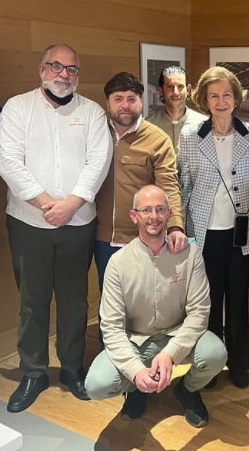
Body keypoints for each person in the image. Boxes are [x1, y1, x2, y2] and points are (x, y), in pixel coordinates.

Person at [0, 44, 113, 413]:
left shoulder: (92, 112)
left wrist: (72, 204)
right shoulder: (17, 108)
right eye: (56, 67)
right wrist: (47, 203)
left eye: (72, 69)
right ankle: (33, 371)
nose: (64, 75)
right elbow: (8, 161)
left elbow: (99, 161)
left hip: (78, 223)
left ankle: (73, 367)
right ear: (41, 69)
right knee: (32, 300)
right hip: (30, 222)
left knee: (75, 299)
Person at [84, 185, 227, 428]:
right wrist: (135, 370)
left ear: (169, 213)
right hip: (135, 342)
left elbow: (200, 312)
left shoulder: (190, 254)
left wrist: (170, 354)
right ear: (134, 215)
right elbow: (111, 327)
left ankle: (187, 389)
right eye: (147, 210)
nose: (154, 217)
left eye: (160, 210)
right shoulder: (118, 263)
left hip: (177, 335)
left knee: (215, 354)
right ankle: (139, 387)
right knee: (96, 385)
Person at [178, 66, 249, 389]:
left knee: (239, 300)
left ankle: (240, 362)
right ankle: (211, 362)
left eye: (226, 94)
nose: (221, 101)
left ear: (236, 98)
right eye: (214, 95)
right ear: (205, 99)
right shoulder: (191, 136)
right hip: (203, 234)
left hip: (242, 233)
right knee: (209, 302)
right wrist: (180, 228)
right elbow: (183, 185)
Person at [94, 72, 186, 337]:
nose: (125, 105)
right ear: (108, 103)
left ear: (141, 102)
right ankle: (111, 366)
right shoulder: (95, 132)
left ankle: (145, 367)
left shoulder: (157, 139)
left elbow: (169, 186)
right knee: (109, 306)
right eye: (118, 99)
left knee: (145, 306)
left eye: (131, 99)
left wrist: (175, 226)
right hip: (100, 238)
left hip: (141, 240)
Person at [146, 65, 206, 154]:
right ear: (160, 90)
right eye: (170, 86)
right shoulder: (148, 125)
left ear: (188, 89)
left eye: (180, 86)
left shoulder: (204, 124)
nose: (175, 92)